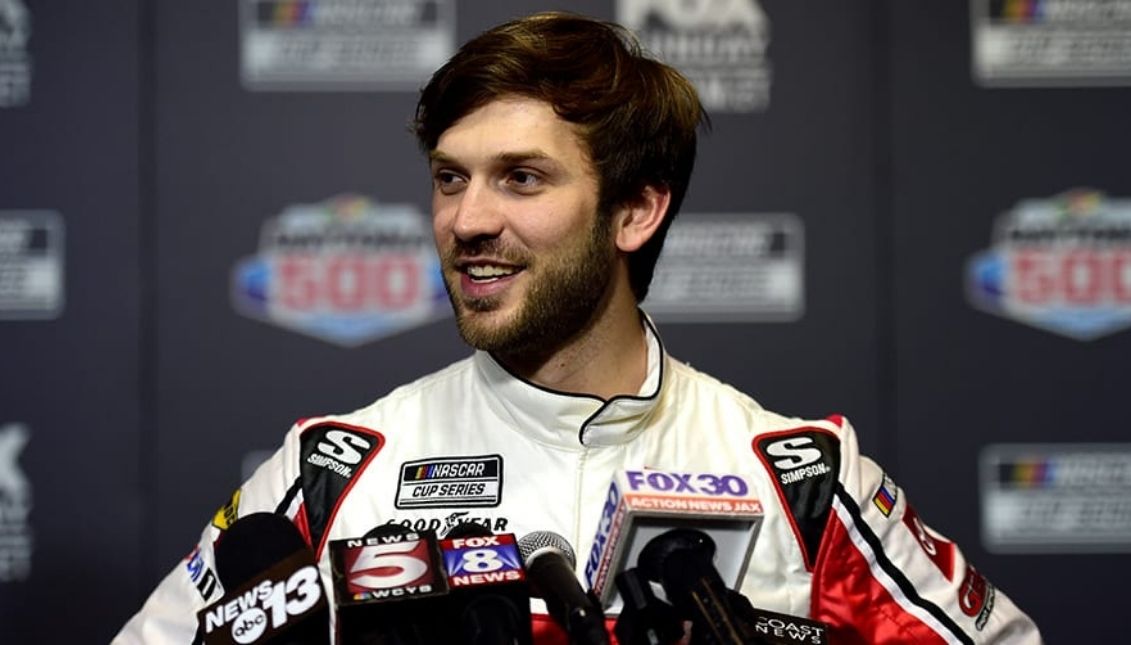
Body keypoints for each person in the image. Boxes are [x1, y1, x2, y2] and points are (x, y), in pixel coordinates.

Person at [116, 11, 1042, 644]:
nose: (466, 219)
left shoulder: (795, 474)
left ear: (634, 212)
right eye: (450, 177)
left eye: (521, 177)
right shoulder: (332, 467)